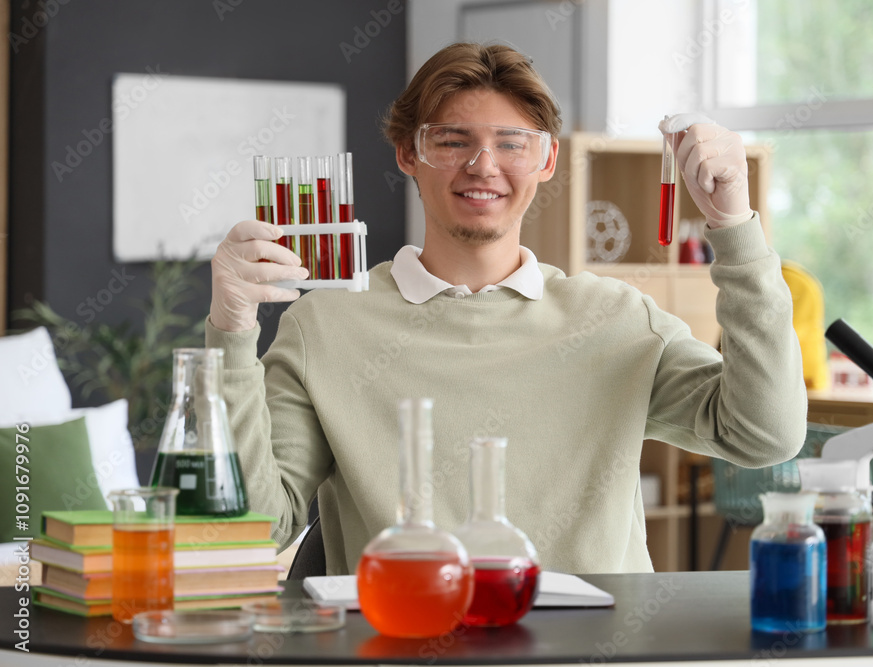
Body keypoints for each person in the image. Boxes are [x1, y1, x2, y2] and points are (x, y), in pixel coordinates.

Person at [207, 42, 807, 575]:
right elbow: (255, 528)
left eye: (512, 144)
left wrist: (734, 226)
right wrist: (231, 328)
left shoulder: (618, 320)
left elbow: (765, 435)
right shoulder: (325, 326)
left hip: (595, 646)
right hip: (400, 639)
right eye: (452, 141)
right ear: (408, 153)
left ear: (547, 161)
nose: (483, 166)